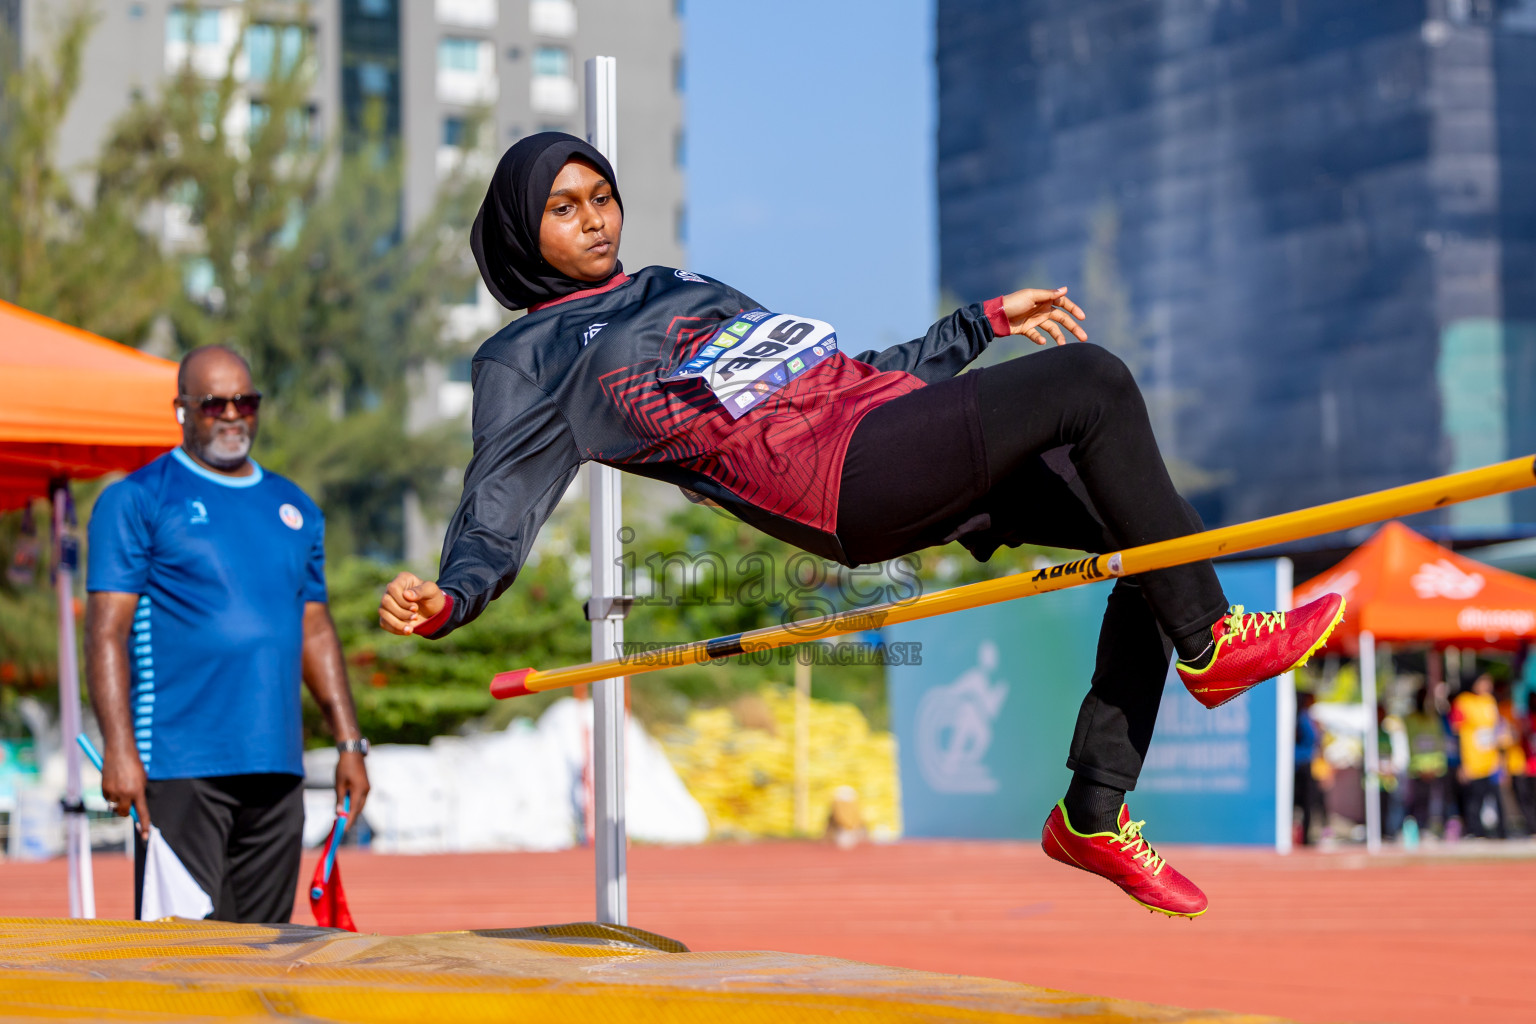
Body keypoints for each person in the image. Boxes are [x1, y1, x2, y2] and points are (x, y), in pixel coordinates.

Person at [374, 133, 1345, 918]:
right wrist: (454, 592)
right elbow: (499, 499)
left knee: (1152, 531)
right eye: (564, 206)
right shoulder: (531, 357)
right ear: (519, 228)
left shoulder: (673, 285)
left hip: (877, 424)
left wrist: (978, 324)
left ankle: (1093, 808)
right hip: (838, 481)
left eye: (602, 196)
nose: (595, 218)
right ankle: (1213, 643)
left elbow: (830, 372)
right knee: (1091, 383)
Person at [86, 346, 370, 923]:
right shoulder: (136, 499)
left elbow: (314, 627)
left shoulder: (294, 506)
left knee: (265, 955)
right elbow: (105, 634)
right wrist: (118, 748)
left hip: (276, 767)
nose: (233, 414)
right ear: (182, 411)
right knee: (184, 962)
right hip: (177, 765)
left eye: (246, 401)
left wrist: (349, 743)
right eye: (214, 403)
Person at [1450, 672, 1505, 839]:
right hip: (1472, 761)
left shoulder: (1490, 701)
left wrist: (1500, 758)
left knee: (1496, 797)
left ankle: (1501, 833)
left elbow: (1496, 731)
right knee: (1475, 800)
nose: (1487, 685)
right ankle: (1475, 832)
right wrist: (1462, 762)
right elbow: (1456, 733)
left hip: (1491, 760)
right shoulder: (1463, 702)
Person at [1403, 687, 1449, 837]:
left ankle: (1435, 828)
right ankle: (1417, 829)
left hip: (1435, 769)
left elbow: (1439, 743)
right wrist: (1421, 768)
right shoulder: (1410, 719)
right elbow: (1411, 744)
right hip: (1418, 770)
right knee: (1417, 802)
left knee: (1437, 803)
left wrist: (1435, 766)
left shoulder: (1434, 718)